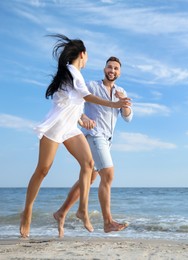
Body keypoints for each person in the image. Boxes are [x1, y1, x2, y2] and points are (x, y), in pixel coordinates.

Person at [19, 35, 130, 238]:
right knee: (42, 170)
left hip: (71, 128)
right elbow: (86, 97)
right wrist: (113, 104)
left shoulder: (75, 74)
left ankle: (81, 211)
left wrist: (82, 118)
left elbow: (75, 103)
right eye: (87, 56)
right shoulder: (73, 72)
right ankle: (27, 212)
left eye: (116, 68)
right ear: (82, 54)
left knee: (88, 165)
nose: (88, 60)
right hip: (55, 126)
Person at [53, 56, 132, 237]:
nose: (112, 71)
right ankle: (108, 222)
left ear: (119, 72)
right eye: (109, 67)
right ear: (104, 69)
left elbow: (128, 117)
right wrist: (84, 118)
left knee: (89, 180)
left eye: (116, 68)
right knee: (109, 174)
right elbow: (73, 101)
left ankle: (61, 212)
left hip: (108, 140)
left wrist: (124, 101)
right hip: (94, 136)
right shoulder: (91, 86)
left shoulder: (121, 91)